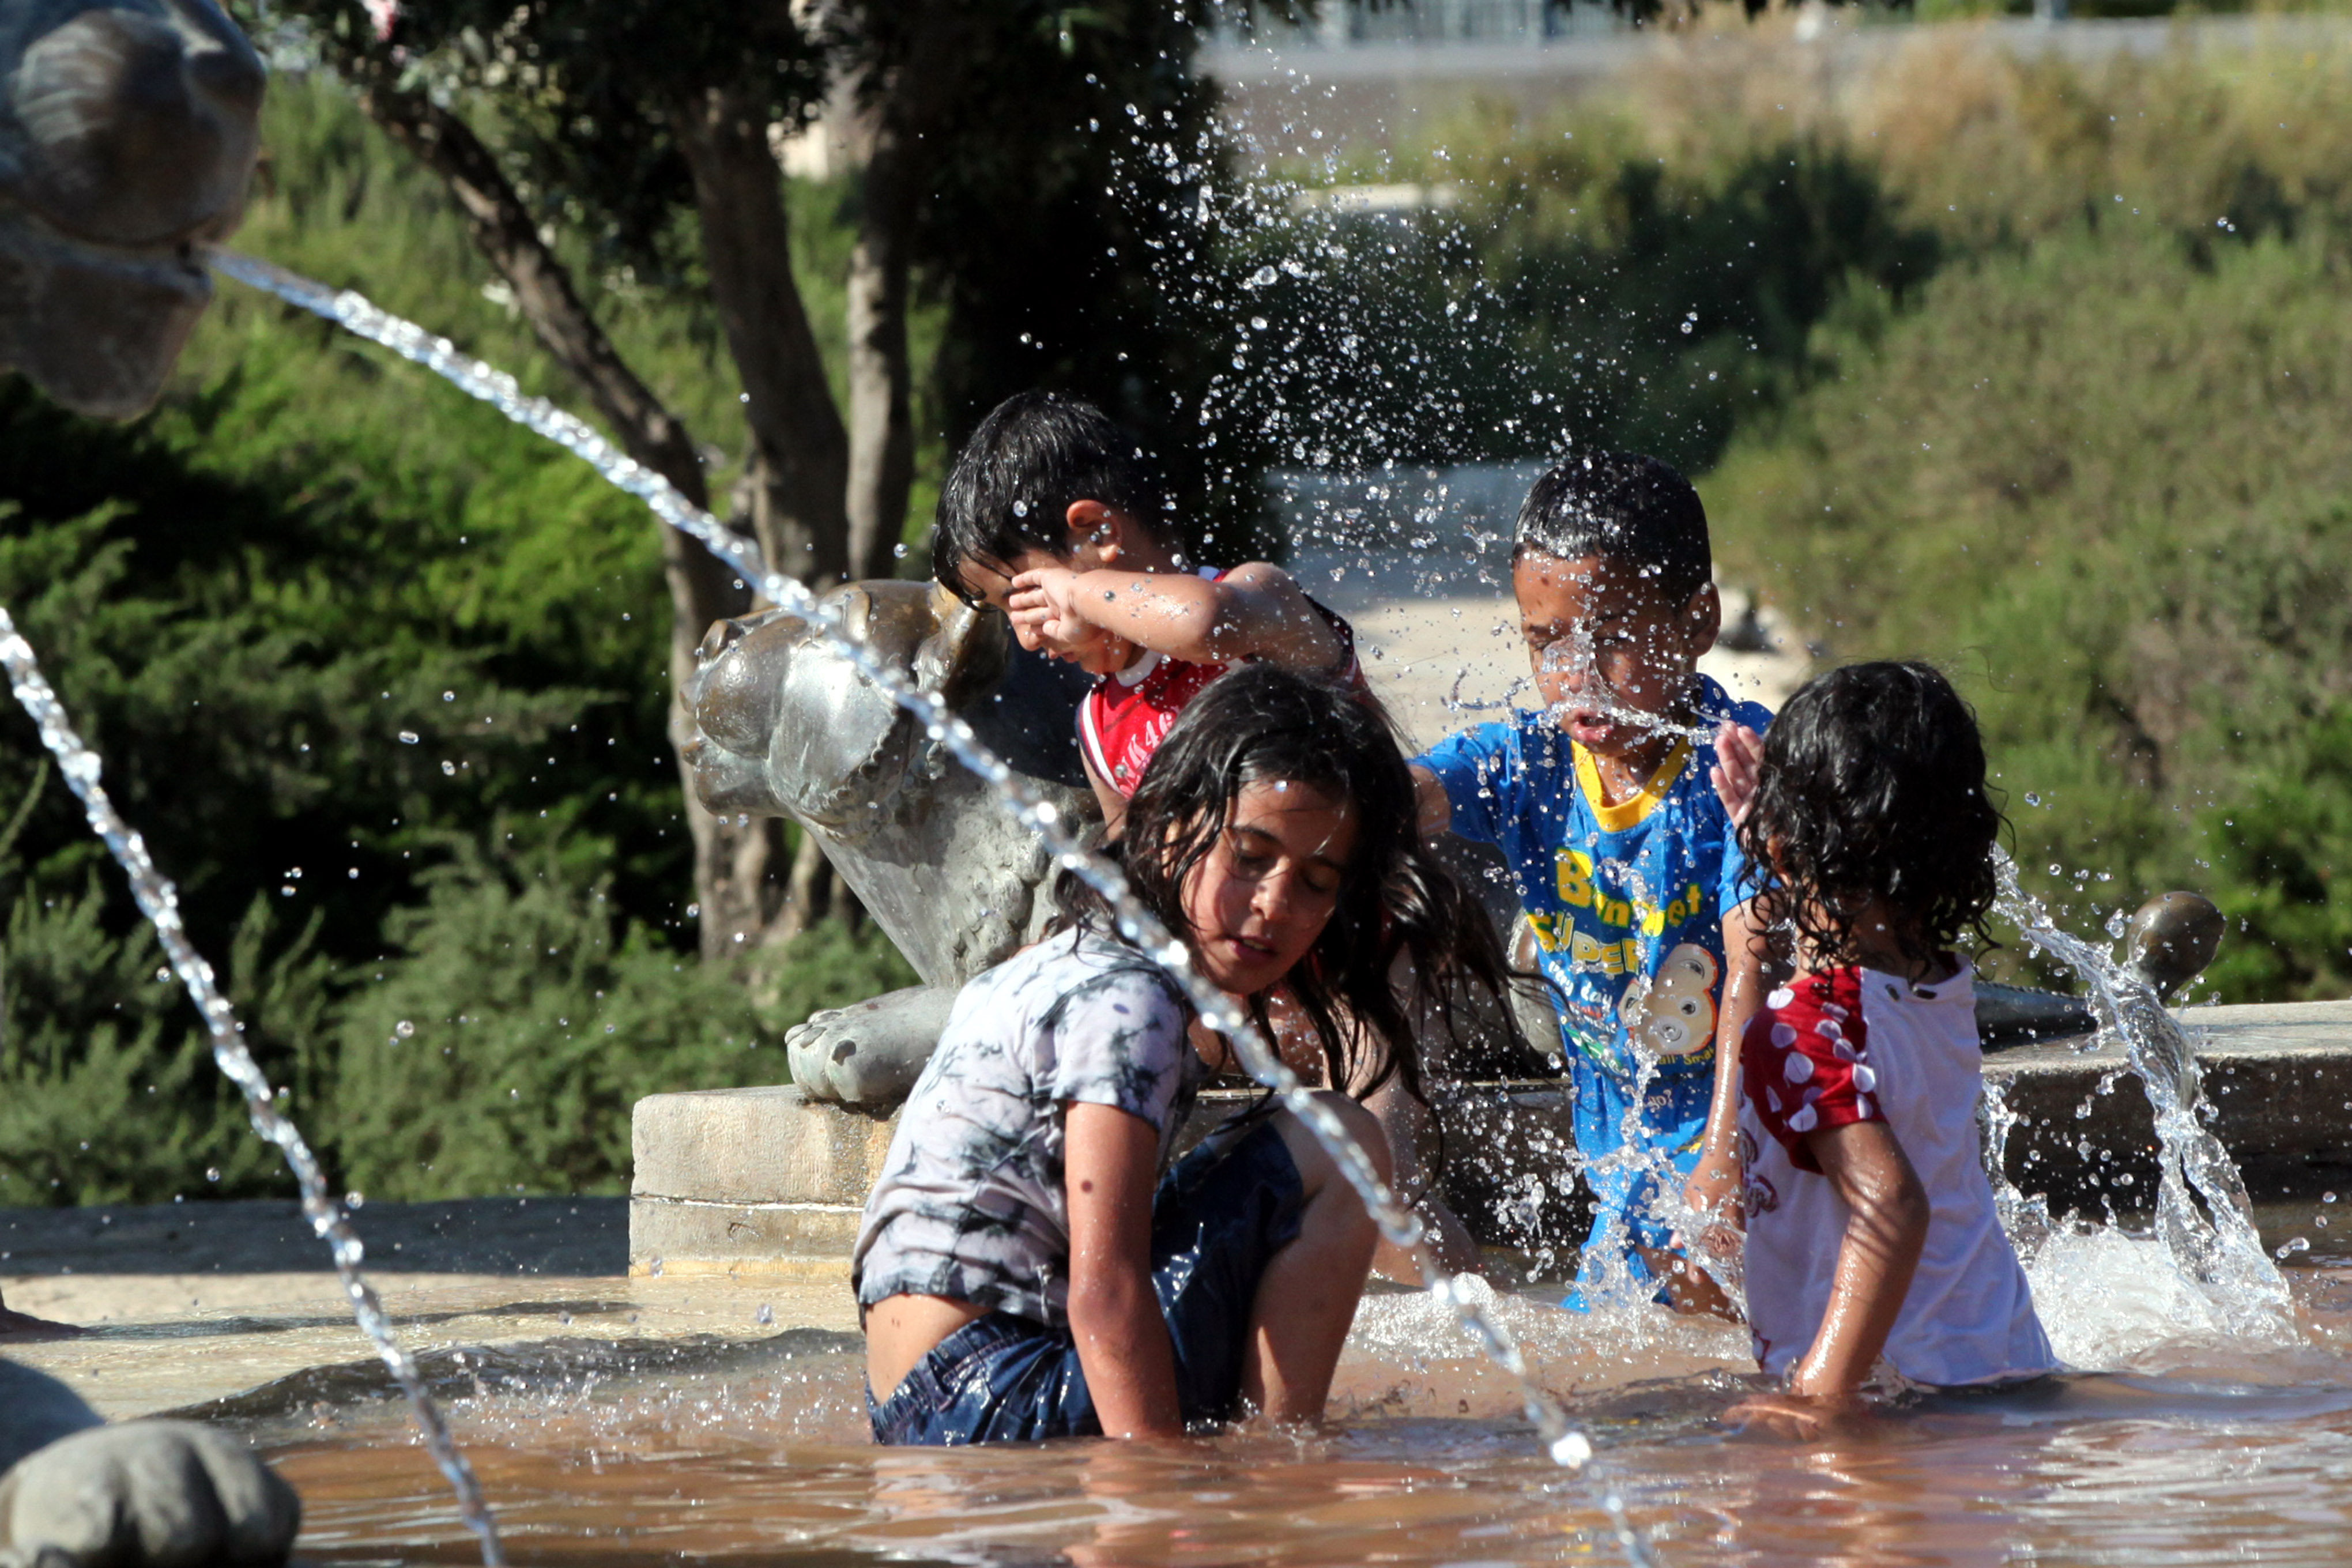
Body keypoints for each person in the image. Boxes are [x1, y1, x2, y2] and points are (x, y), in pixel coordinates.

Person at [853, 664, 1517, 1444]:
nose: (1274, 905)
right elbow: (1107, 1288)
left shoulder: (1073, 959)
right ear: (1168, 826)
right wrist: (1159, 1500)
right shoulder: (1128, 1003)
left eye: (1313, 882)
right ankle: (1280, 1456)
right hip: (997, 1397)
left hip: (924, 1398)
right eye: (1249, 856)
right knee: (1344, 1142)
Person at [1409, 452, 1772, 1313]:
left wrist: (1726, 1162)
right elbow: (1394, 797)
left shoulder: (1742, 769)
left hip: (1752, 1144)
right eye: (1547, 642)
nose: (1577, 675)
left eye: (1611, 639)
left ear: (1697, 621)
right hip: (1627, 1183)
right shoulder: (1529, 762)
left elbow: (1755, 965)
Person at [1716, 661, 2058, 1436]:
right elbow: (1840, 991)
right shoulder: (1936, 986)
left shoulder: (1796, 1029)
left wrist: (1817, 1395)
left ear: (1783, 848)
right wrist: (1784, 863)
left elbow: (1892, 1205)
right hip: (1999, 1363)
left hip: (1904, 1400)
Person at [932, 390, 1360, 835]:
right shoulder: (1099, 730)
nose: (1028, 639)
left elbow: (1204, 624)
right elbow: (1134, 879)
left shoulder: (1259, 600)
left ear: (1098, 532)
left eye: (1028, 597)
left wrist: (1077, 592)